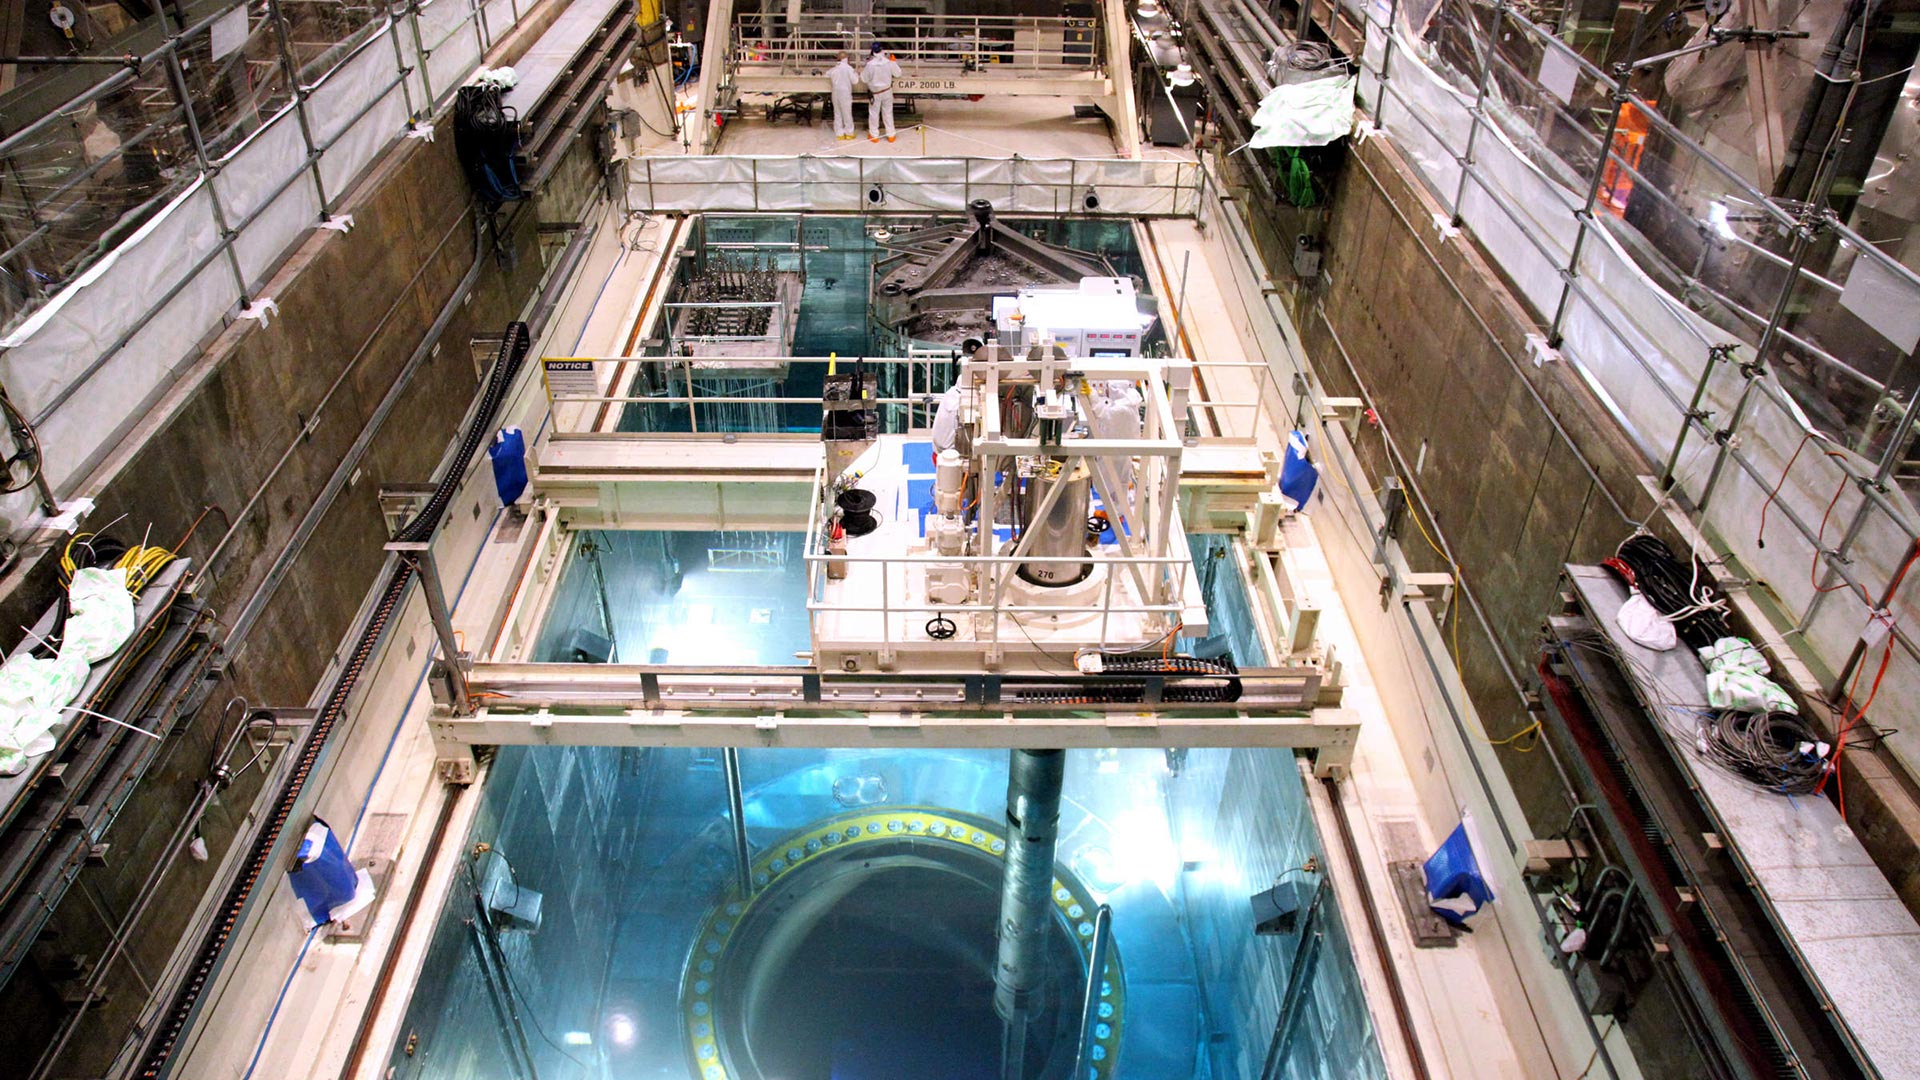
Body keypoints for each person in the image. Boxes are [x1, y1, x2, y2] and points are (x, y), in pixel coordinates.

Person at [862, 43, 903, 143]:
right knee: (888, 113)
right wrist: (894, 62)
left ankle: (874, 135)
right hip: (887, 91)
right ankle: (891, 135)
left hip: (875, 93)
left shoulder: (870, 65)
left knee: (874, 114)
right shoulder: (888, 62)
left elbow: (864, 78)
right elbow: (898, 74)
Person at [826, 53, 859, 141]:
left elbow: (826, 74)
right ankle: (849, 133)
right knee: (847, 113)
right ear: (847, 59)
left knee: (837, 113)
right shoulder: (849, 69)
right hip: (845, 93)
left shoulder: (834, 69)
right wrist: (856, 73)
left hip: (835, 93)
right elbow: (855, 81)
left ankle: (839, 134)